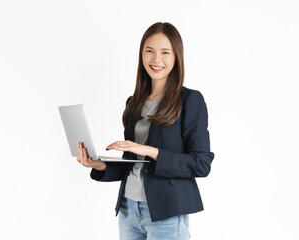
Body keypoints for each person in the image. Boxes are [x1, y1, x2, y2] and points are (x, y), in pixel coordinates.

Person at [76, 22, 214, 240]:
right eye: (149, 51)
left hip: (166, 215)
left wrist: (149, 150)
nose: (156, 59)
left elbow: (201, 163)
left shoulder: (190, 101)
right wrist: (99, 165)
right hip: (128, 210)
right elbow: (132, 162)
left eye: (165, 52)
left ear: (176, 57)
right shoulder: (134, 102)